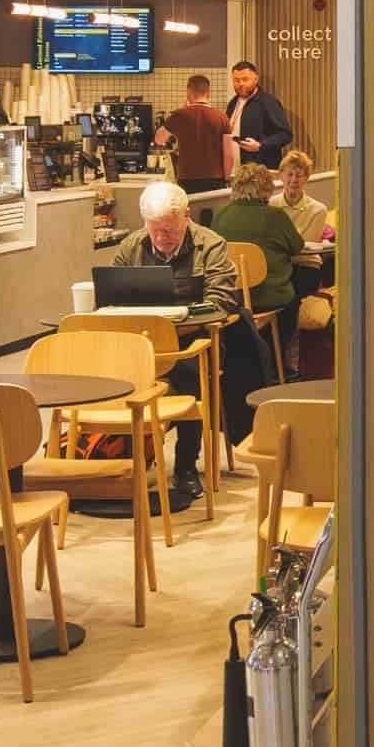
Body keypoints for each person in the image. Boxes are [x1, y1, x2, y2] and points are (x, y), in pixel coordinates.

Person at [100, 178, 247, 505]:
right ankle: (117, 463)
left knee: (190, 376)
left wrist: (180, 318)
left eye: (170, 231)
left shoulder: (211, 245)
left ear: (187, 218)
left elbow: (222, 301)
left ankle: (184, 466)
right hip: (140, 344)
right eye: (155, 231)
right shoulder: (132, 247)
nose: (162, 239)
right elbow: (112, 297)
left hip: (192, 342)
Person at [209, 164, 308, 367]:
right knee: (295, 295)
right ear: (267, 187)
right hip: (269, 297)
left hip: (233, 298)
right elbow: (297, 246)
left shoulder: (220, 215)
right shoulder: (275, 216)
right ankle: (280, 363)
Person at [225, 59, 299, 171]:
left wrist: (260, 145)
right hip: (235, 171)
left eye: (245, 79)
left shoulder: (268, 102)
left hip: (261, 172)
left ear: (255, 79)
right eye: (236, 80)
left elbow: (285, 134)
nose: (241, 84)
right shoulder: (232, 103)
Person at [162, 73, 232, 186]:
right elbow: (228, 153)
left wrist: (181, 109)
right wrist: (227, 179)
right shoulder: (222, 117)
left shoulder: (179, 115)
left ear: (188, 92)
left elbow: (159, 139)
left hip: (187, 178)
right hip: (215, 179)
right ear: (208, 93)